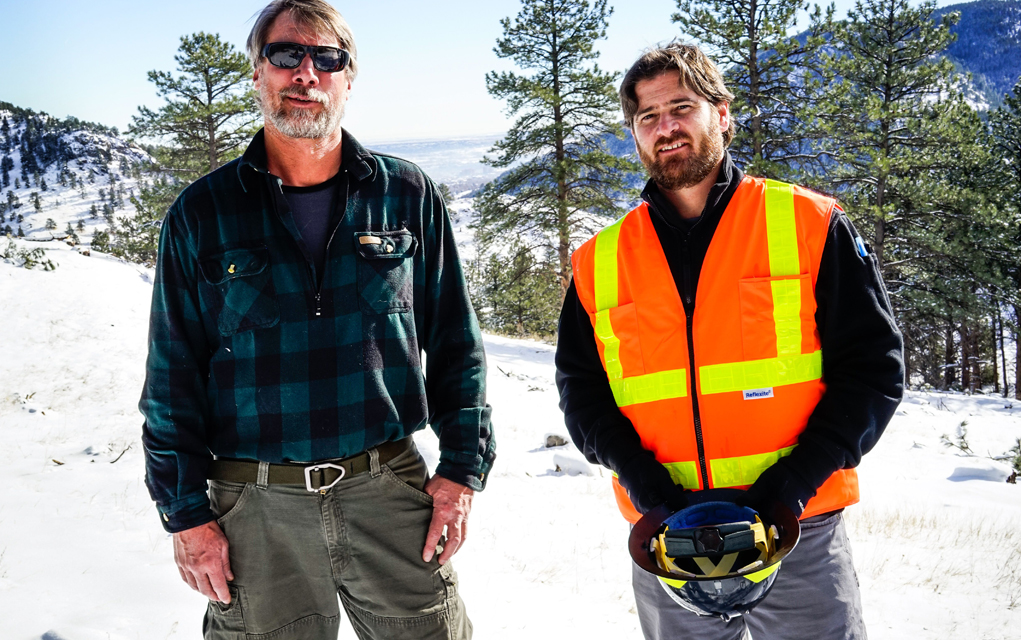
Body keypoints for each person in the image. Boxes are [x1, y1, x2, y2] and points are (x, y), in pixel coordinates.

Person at [140, 2, 493, 638]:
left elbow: (455, 347)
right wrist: (186, 516)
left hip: (389, 491)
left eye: (327, 59)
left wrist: (461, 473)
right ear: (258, 73)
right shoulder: (202, 214)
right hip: (255, 506)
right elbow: (172, 381)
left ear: (348, 79)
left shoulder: (407, 195)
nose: (307, 72)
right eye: (286, 55)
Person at [555, 42, 903, 640]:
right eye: (648, 117)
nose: (666, 128)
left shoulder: (808, 223)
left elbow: (873, 372)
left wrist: (792, 489)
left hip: (798, 529)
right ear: (635, 135)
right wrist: (645, 487)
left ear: (722, 113)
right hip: (668, 536)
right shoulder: (599, 261)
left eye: (681, 108)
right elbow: (583, 394)